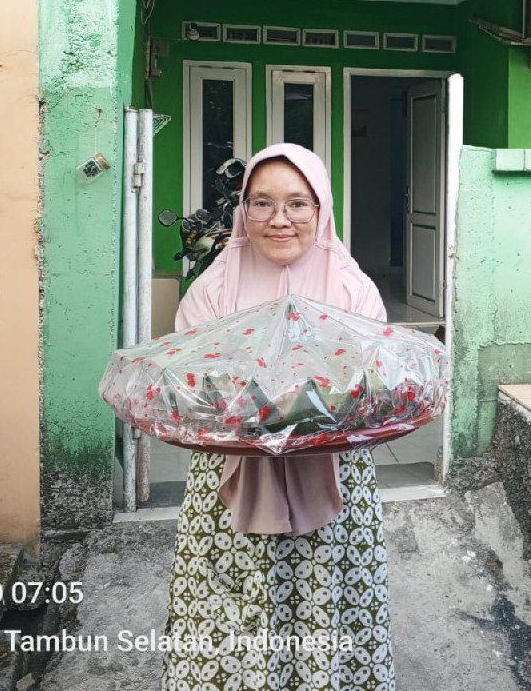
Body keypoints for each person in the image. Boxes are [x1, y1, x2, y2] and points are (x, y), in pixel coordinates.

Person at [160, 143, 396, 691]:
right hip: (231, 478)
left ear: (322, 210)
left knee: (326, 600)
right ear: (243, 210)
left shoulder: (350, 288)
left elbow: (372, 386)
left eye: (297, 203)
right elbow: (191, 387)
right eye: (261, 203)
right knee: (230, 603)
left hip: (333, 477)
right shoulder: (215, 288)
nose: (279, 220)